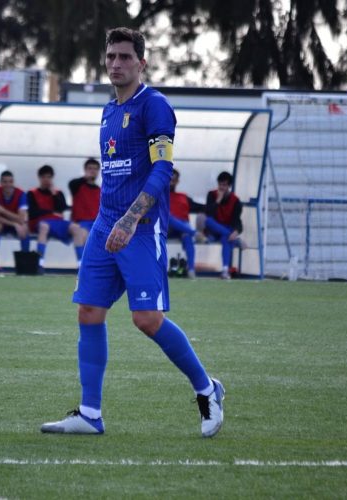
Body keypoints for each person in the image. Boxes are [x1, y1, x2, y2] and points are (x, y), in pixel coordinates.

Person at [41, 27, 224, 438]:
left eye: (125, 57)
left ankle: (207, 389)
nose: (116, 64)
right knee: (89, 312)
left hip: (140, 228)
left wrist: (130, 219)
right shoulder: (108, 111)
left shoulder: (154, 106)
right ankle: (90, 414)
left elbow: (162, 169)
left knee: (147, 319)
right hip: (104, 226)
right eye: (111, 57)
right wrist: (110, 221)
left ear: (142, 63)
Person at [27, 165, 87, 270]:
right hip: (40, 222)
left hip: (57, 222)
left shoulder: (58, 193)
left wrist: (54, 194)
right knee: (44, 227)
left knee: (76, 228)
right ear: (39, 178)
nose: (46, 180)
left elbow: (61, 208)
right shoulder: (32, 193)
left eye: (49, 177)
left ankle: (81, 264)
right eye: (44, 177)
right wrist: (51, 212)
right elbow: (32, 212)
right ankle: (40, 263)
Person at [196, 171, 245, 280]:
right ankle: (236, 240)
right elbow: (208, 212)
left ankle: (225, 270)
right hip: (213, 229)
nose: (221, 187)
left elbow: (237, 221)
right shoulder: (212, 195)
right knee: (208, 220)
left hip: (226, 229)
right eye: (220, 184)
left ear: (229, 186)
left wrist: (236, 231)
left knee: (226, 238)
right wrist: (218, 200)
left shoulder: (235, 201)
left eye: (224, 185)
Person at [168, 168, 205, 279]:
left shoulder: (183, 197)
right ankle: (195, 233)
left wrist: (216, 202)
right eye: (170, 179)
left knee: (187, 236)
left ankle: (191, 270)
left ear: (177, 181)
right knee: (167, 216)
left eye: (174, 179)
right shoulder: (159, 195)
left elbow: (201, 207)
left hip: (182, 229)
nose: (171, 182)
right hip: (165, 229)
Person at [0, 170, 30, 253]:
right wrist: (14, 223)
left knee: (24, 229)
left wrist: (2, 210)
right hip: (3, 222)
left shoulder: (21, 194)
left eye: (10, 182)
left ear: (13, 182)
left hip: (13, 222)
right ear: (0, 183)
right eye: (5, 182)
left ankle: (25, 258)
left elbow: (21, 219)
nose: (8, 185)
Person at [69, 158, 101, 232]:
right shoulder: (77, 186)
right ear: (85, 170)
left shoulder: (100, 191)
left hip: (97, 224)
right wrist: (85, 178)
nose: (92, 171)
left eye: (95, 169)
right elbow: (71, 184)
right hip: (81, 223)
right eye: (90, 168)